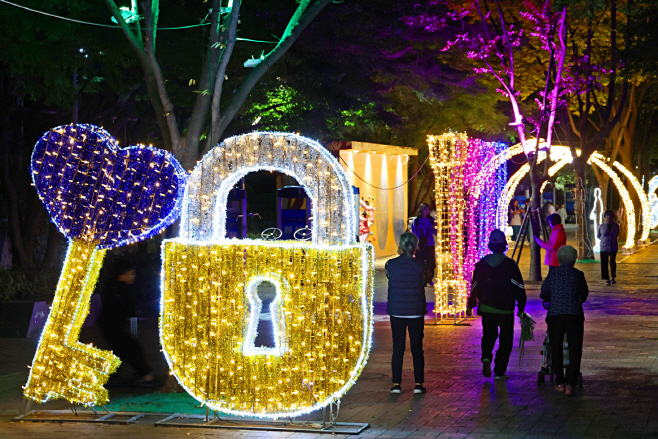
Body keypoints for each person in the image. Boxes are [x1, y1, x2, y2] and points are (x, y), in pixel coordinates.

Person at [466, 230, 527, 380]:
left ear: (490, 245)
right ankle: (499, 371)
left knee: (489, 335)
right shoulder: (510, 265)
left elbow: (475, 286)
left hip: (487, 307)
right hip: (506, 309)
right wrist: (521, 305)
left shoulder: (481, 265)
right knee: (506, 340)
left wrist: (471, 304)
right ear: (504, 245)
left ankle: (486, 357)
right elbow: (518, 286)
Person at [539, 245, 589, 396]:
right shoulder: (578, 275)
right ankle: (570, 384)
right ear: (574, 260)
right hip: (574, 315)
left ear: (559, 259)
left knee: (556, 347)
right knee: (574, 349)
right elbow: (584, 294)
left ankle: (559, 382)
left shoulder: (553, 274)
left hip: (555, 315)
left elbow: (543, 293)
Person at [98, 258, 154, 385]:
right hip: (112, 325)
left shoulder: (119, 287)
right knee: (129, 348)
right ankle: (144, 374)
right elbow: (124, 307)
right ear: (121, 275)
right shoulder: (116, 288)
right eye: (130, 273)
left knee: (121, 349)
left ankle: (112, 375)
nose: (133, 276)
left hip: (114, 325)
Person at [386, 232, 427, 394]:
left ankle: (396, 384)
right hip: (416, 310)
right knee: (417, 348)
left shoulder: (390, 264)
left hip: (397, 311)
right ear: (415, 245)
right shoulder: (420, 265)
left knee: (398, 348)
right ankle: (418, 384)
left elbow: (390, 278)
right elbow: (424, 280)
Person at [411, 203, 437, 286]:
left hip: (430, 244)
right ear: (421, 210)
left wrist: (435, 228)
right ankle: (423, 280)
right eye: (425, 209)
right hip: (420, 244)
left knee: (432, 264)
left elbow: (435, 233)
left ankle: (428, 278)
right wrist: (416, 244)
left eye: (427, 209)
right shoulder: (416, 220)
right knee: (421, 263)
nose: (426, 211)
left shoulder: (431, 219)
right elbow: (414, 233)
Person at [598, 209, 620, 285]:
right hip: (604, 247)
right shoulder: (601, 226)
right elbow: (598, 235)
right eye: (607, 216)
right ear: (605, 217)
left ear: (612, 217)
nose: (608, 217)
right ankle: (607, 278)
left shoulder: (616, 226)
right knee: (604, 263)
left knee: (612, 262)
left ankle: (613, 277)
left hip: (613, 246)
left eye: (610, 216)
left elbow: (617, 234)